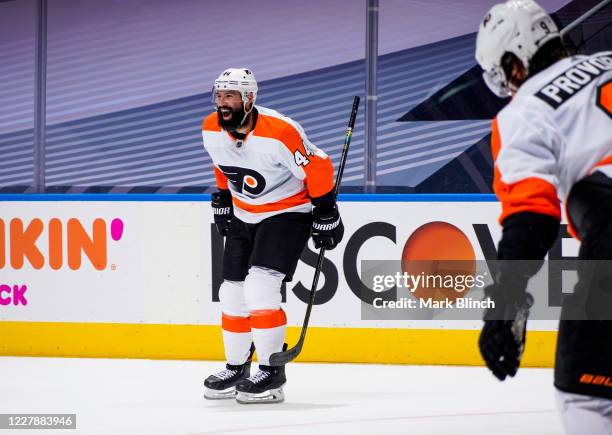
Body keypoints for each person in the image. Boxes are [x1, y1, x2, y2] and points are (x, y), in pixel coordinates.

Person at [475, 1, 612, 433]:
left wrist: (504, 306)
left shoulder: (523, 112)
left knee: (586, 396)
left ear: (515, 64)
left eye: (501, 75)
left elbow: (530, 219)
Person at [201, 68, 344, 404]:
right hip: (244, 212)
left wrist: (325, 212)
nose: (223, 103)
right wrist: (221, 198)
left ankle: (271, 372)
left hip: (287, 213)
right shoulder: (210, 128)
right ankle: (237, 366)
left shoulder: (280, 132)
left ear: (249, 99)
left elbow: (319, 166)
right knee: (231, 291)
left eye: (231, 96)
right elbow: (221, 164)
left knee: (261, 286)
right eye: (219, 95)